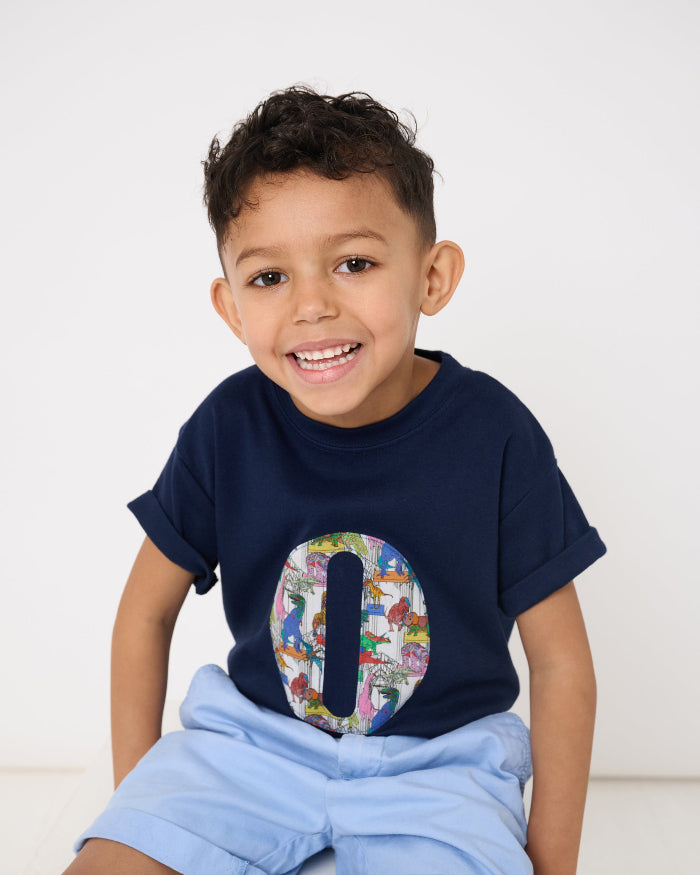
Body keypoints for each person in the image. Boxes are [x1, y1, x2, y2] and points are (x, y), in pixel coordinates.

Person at [64, 86, 607, 875]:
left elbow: (561, 664)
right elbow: (144, 614)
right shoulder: (228, 427)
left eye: (354, 263)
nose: (312, 306)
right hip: (249, 754)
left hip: (438, 774)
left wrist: (552, 865)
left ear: (432, 276)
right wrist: (146, 806)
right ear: (230, 307)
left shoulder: (496, 435)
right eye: (269, 278)